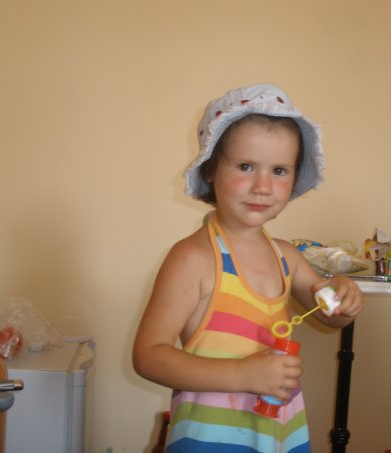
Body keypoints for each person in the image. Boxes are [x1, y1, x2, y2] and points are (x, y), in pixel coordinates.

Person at [133, 83, 363, 452]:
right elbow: (148, 356)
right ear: (211, 169)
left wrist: (343, 298)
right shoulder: (193, 258)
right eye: (245, 166)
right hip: (212, 440)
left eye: (279, 170)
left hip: (277, 435)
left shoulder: (287, 256)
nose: (263, 186)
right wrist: (242, 374)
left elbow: (332, 317)